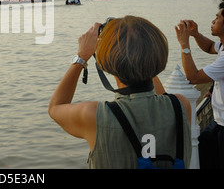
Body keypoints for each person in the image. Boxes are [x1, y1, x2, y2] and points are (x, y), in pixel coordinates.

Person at [48, 15, 192, 169]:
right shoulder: (181, 105)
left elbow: (55, 107)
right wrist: (141, 51)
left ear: (105, 62)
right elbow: (160, 98)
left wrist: (82, 56)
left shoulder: (94, 116)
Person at [175, 2, 224, 168]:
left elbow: (193, 77)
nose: (213, 21)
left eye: (217, 18)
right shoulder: (222, 47)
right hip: (219, 120)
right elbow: (210, 46)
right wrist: (195, 34)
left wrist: (184, 44)